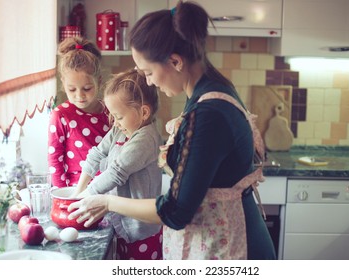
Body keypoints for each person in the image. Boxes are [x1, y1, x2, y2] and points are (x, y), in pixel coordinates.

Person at [68, 0, 276, 260]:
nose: (148, 81)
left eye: (148, 71)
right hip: (223, 240)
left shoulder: (207, 114)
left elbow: (175, 212)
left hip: (233, 251)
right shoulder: (212, 90)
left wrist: (107, 202)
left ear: (175, 61)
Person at [71, 68, 163, 260]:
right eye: (112, 116)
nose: (115, 122)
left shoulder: (146, 139)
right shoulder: (120, 130)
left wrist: (87, 195)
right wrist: (77, 193)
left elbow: (116, 172)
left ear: (144, 112)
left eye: (119, 117)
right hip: (121, 223)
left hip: (141, 230)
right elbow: (96, 154)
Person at [48, 37, 111, 188]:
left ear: (99, 81)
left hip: (110, 187)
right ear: (63, 83)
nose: (79, 95)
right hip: (76, 190)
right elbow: (55, 159)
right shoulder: (60, 115)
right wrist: (62, 195)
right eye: (72, 89)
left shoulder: (111, 111)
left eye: (87, 88)